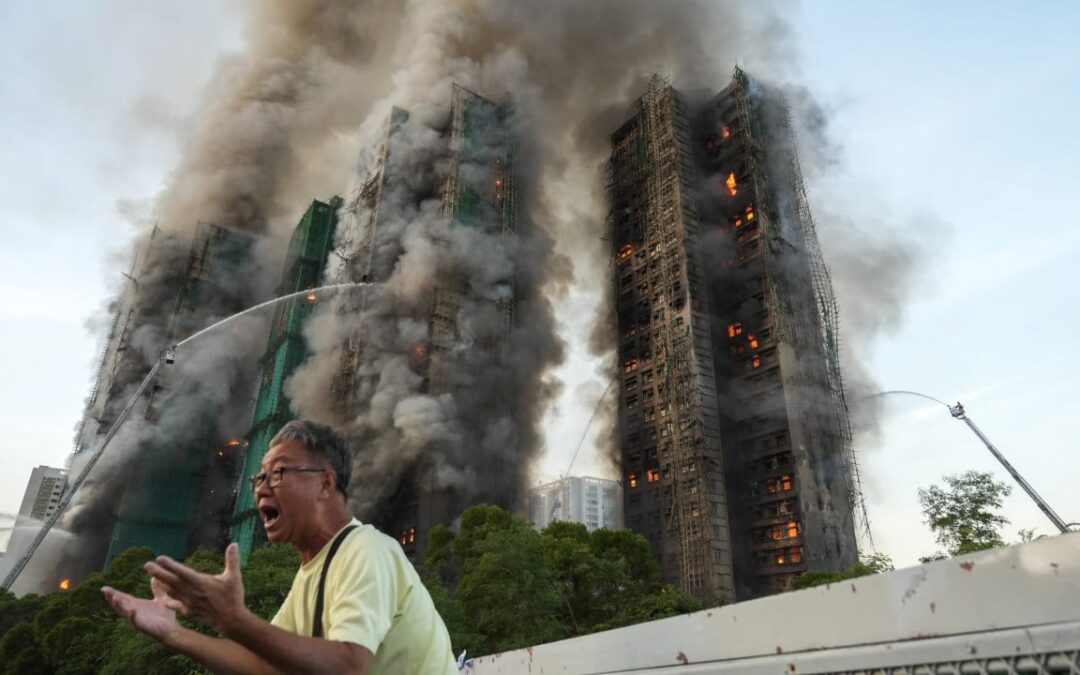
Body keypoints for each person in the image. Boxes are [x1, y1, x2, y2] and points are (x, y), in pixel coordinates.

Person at [102, 419, 458, 675]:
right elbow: (264, 664)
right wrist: (174, 633)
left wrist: (233, 619)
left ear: (324, 484)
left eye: (278, 473)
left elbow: (349, 665)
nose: (260, 488)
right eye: (260, 477)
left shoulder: (367, 549)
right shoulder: (312, 571)